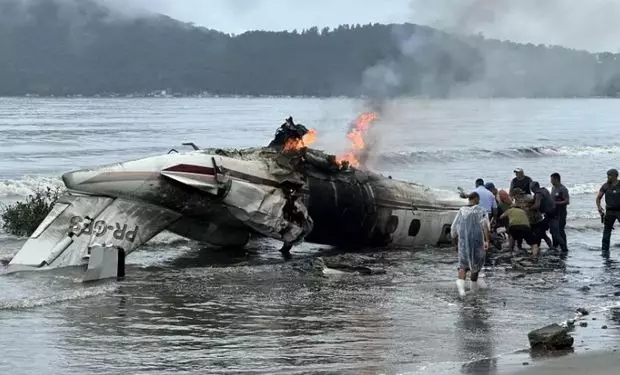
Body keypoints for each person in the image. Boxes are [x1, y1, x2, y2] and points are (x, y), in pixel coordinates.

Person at [451, 192, 491, 298]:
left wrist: (455, 241)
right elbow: (485, 226)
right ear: (476, 199)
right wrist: (487, 240)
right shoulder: (481, 210)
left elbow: (454, 228)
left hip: (464, 242)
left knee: (463, 266)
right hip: (477, 242)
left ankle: (461, 290)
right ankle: (473, 290)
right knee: (475, 266)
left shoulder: (461, 210)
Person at [531, 181, 567, 252]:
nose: (531, 190)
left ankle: (564, 249)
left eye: (531, 188)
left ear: (533, 188)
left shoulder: (538, 194)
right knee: (541, 230)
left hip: (552, 215)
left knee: (555, 234)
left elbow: (537, 205)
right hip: (551, 214)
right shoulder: (544, 190)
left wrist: (529, 208)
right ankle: (551, 247)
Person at [596, 168, 620, 254]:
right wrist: (599, 207)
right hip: (609, 211)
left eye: (609, 175)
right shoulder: (605, 185)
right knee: (606, 232)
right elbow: (598, 198)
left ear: (615, 176)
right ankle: (604, 250)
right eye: (607, 175)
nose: (608, 177)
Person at [550, 173, 569, 248]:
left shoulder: (563, 189)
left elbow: (567, 201)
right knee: (553, 231)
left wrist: (556, 203)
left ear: (556, 179)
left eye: (551, 180)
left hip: (561, 212)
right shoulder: (553, 188)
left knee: (560, 230)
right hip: (553, 213)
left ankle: (564, 247)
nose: (551, 181)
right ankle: (555, 246)